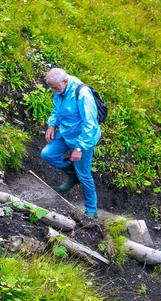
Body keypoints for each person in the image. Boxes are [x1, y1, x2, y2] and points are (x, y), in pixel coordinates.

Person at [41, 68, 102, 218]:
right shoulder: (59, 90)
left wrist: (79, 148)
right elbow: (57, 110)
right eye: (51, 88)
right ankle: (72, 173)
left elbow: (90, 124)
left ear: (65, 81)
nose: (53, 91)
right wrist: (51, 124)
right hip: (66, 132)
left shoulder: (82, 95)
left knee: (85, 175)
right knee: (47, 154)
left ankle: (91, 211)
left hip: (83, 139)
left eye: (55, 87)